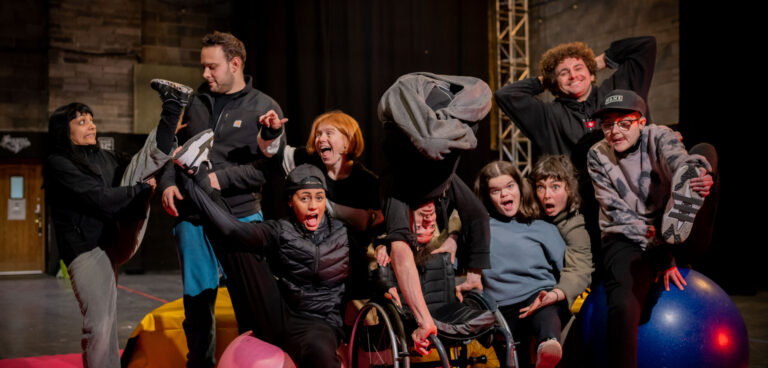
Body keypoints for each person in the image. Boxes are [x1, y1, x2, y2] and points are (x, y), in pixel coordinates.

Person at [155, 31, 284, 367]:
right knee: (197, 306)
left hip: (241, 218)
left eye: (212, 67)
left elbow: (266, 170)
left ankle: (252, 364)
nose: (204, 74)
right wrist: (168, 182)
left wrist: (217, 179)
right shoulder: (195, 102)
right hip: (193, 218)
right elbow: (173, 149)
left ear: (235, 64)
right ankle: (200, 363)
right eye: (203, 67)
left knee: (250, 304)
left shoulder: (264, 106)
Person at [586, 89, 717, 368]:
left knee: (703, 153)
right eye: (608, 124)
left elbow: (675, 160)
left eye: (624, 123)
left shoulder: (660, 135)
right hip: (627, 236)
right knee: (622, 305)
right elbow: (615, 213)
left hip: (677, 224)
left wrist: (697, 175)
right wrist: (661, 252)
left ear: (641, 121)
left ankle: (693, 187)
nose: (615, 131)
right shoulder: (597, 155)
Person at [44, 99, 179, 367]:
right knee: (99, 324)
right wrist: (140, 191)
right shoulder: (58, 163)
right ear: (64, 131)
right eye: (81, 122)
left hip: (114, 238)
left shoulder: (103, 156)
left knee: (144, 161)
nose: (91, 126)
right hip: (87, 250)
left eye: (91, 120)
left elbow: (139, 167)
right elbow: (98, 198)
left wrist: (167, 147)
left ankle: (171, 115)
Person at [181, 164, 348, 368]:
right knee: (237, 241)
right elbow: (233, 229)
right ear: (290, 201)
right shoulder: (280, 230)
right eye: (304, 198)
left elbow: (367, 275)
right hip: (281, 315)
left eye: (319, 198)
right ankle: (196, 176)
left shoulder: (343, 235)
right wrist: (196, 185)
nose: (313, 205)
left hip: (320, 323)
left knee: (318, 349)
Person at [377, 72, 493, 354]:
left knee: (431, 140)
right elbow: (477, 215)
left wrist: (474, 272)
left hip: (414, 98)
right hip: (442, 112)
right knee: (478, 95)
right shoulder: (440, 183)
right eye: (424, 226)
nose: (428, 220)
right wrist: (424, 317)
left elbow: (401, 249)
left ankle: (442, 127)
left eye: (424, 225)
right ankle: (451, 128)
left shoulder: (396, 191)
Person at [213, 110, 382, 298]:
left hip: (345, 258)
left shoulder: (368, 183)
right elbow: (274, 154)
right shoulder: (306, 160)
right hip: (306, 249)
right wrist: (272, 131)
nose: (321, 138)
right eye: (318, 134)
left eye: (328, 133)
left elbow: (377, 225)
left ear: (347, 142)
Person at [474, 161, 566, 368]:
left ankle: (548, 346)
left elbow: (564, 268)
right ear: (487, 197)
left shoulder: (541, 227)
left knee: (546, 308)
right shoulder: (480, 230)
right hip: (500, 308)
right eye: (495, 191)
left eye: (509, 186)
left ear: (520, 187)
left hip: (539, 296)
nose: (504, 194)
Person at [525, 155, 593, 316]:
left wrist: (556, 294)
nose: (546, 195)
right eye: (540, 187)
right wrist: (454, 235)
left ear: (569, 188)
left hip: (554, 297)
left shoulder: (574, 225)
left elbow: (580, 269)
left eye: (555, 187)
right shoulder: (530, 211)